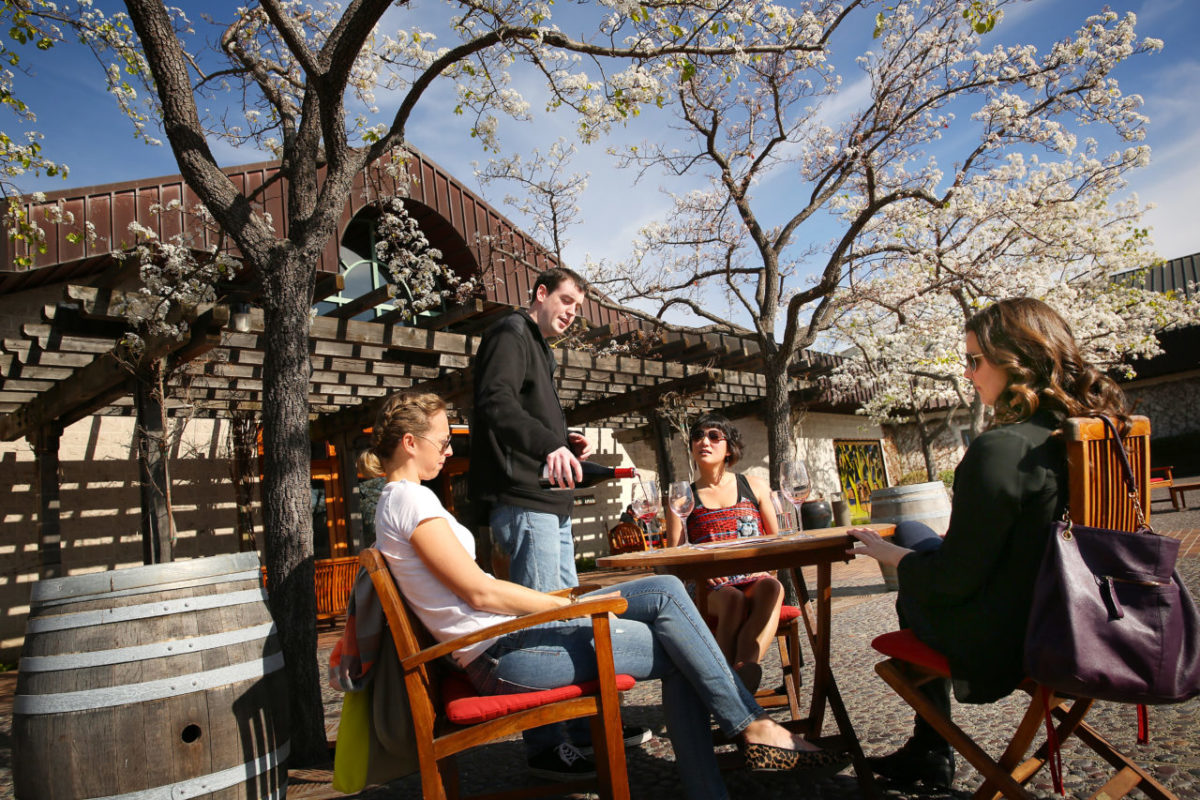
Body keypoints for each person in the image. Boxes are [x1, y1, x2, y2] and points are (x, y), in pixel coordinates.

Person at [361, 392, 846, 800]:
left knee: (666, 590)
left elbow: (472, 591)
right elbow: (479, 590)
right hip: (504, 657)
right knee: (679, 640)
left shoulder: (397, 503)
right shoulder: (410, 499)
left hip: (501, 646)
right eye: (444, 441)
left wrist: (561, 604)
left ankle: (744, 734)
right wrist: (564, 605)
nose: (449, 451)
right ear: (410, 442)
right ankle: (749, 731)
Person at [846, 297, 1130, 789]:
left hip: (1014, 637)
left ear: (1016, 360)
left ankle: (932, 747)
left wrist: (895, 560)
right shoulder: (1098, 434)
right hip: (1091, 615)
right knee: (918, 534)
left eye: (975, 359)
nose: (969, 373)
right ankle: (927, 747)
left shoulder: (1003, 449)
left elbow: (953, 584)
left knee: (913, 580)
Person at [468, 267, 648, 775]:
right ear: (540, 294)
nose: (571, 312)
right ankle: (546, 745)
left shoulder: (541, 349)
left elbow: (525, 416)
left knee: (567, 623)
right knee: (544, 625)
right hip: (524, 503)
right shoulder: (509, 330)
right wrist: (548, 442)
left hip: (549, 501)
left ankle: (585, 726)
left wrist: (563, 441)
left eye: (577, 306)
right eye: (565, 300)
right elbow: (495, 402)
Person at [664, 413, 785, 695]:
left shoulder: (754, 486)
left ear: (728, 447)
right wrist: (702, 576)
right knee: (732, 599)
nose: (703, 441)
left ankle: (744, 670)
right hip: (708, 586)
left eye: (713, 436)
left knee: (772, 586)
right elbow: (674, 559)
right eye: (697, 437)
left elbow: (775, 541)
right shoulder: (682, 498)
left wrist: (761, 566)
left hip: (752, 576)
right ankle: (722, 684)